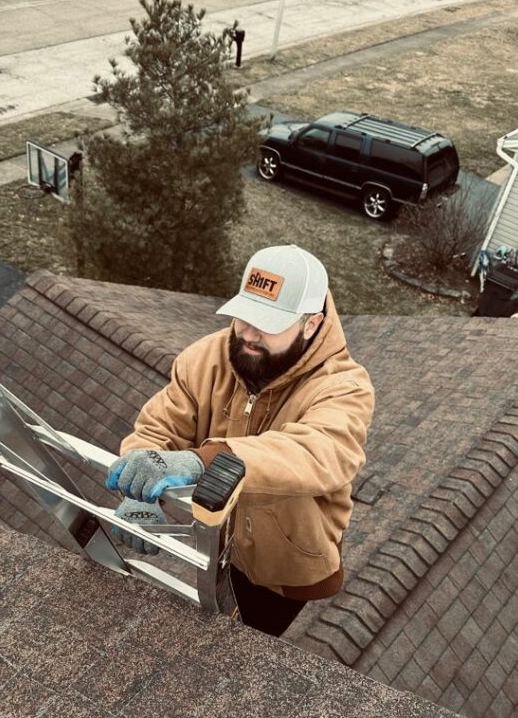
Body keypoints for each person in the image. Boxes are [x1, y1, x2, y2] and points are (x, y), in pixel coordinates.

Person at [106, 244, 375, 637]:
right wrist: (138, 485)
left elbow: (320, 452)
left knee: (242, 656)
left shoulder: (344, 387)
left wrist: (208, 460)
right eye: (244, 316)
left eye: (268, 324)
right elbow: (157, 430)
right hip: (220, 543)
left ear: (312, 324)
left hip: (284, 567)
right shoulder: (204, 359)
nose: (248, 333)